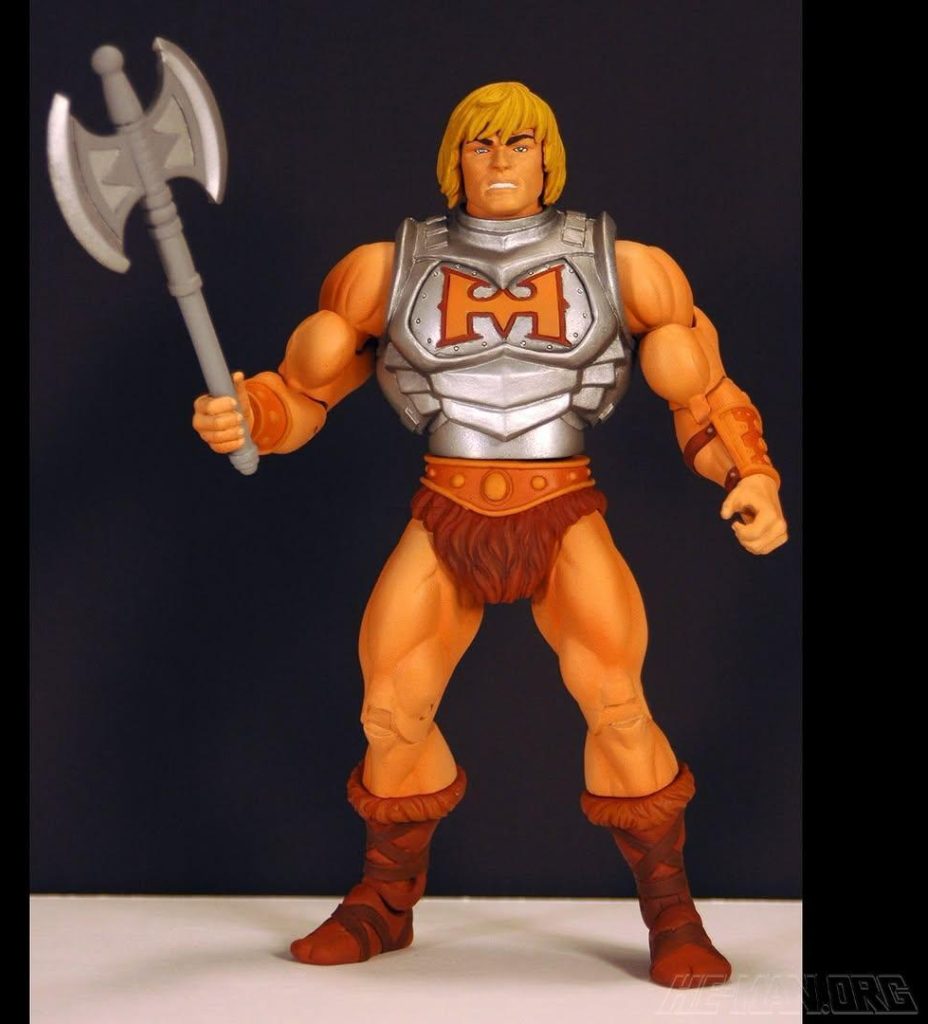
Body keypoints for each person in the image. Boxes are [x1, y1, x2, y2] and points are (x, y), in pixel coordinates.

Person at [192, 81, 787, 987]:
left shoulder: (625, 266)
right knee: (389, 710)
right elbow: (304, 390)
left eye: (519, 142)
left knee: (617, 704)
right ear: (453, 159)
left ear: (549, 159)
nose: (501, 158)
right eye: (481, 143)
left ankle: (673, 912)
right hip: (447, 506)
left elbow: (701, 392)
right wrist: (250, 417)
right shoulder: (384, 270)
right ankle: (384, 901)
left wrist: (752, 475)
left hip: (563, 505)